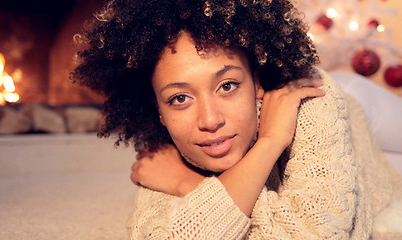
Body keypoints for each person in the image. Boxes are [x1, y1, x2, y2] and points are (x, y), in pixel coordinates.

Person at [71, 0, 402, 239]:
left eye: (227, 85)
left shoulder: (309, 99)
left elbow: (323, 233)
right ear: (159, 110)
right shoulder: (167, 147)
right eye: (180, 98)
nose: (210, 120)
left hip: (355, 105)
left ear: (257, 81)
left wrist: (188, 184)